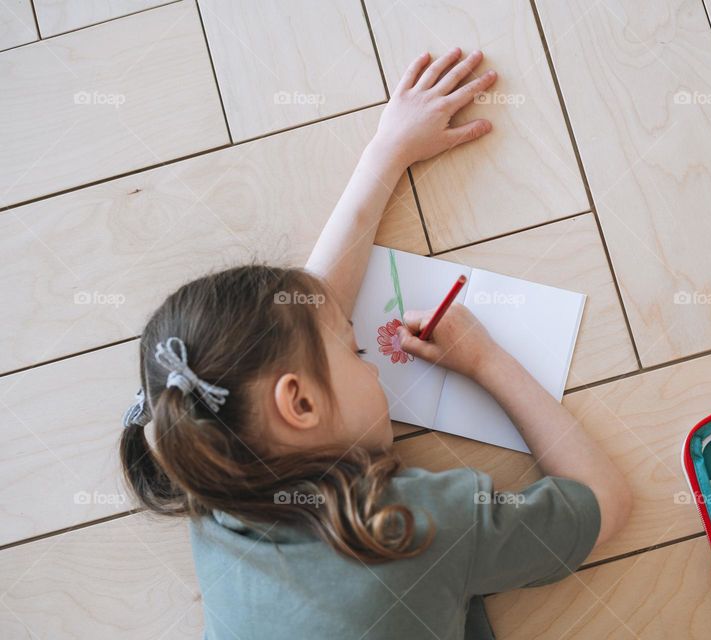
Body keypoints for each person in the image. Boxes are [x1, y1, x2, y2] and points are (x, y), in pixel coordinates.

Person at [119, 48, 632, 639]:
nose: (369, 357)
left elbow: (303, 322)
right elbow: (602, 500)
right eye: (357, 353)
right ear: (301, 404)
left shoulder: (208, 469)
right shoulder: (416, 527)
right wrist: (487, 361)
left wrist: (387, 153)